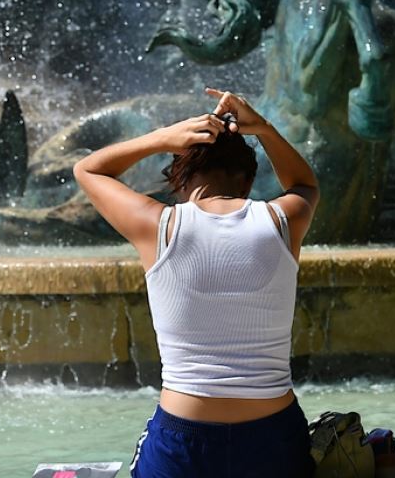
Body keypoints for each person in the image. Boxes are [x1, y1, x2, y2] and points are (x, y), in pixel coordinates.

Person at [73, 88, 319, 477]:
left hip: (183, 441)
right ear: (248, 181)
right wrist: (264, 129)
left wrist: (161, 138)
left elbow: (88, 169)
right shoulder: (281, 221)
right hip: (273, 437)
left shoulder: (159, 225)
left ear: (181, 178)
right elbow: (305, 184)